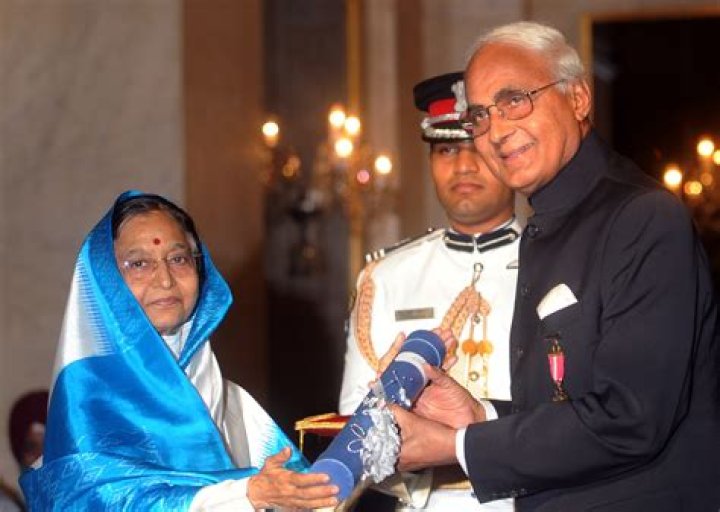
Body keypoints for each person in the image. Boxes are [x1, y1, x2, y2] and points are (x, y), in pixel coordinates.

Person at [392, 21, 720, 511]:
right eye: (480, 115)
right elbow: (571, 405)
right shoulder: (550, 224)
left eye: (514, 100)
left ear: (578, 98)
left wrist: (458, 446)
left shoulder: (643, 217)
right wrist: (478, 416)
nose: (497, 131)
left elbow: (630, 418)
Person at [19, 191, 339, 511]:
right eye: (139, 263)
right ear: (106, 281)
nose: (165, 280)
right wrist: (246, 495)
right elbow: (90, 501)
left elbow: (304, 494)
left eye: (178, 259)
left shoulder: (233, 405)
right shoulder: (87, 399)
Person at [339, 72, 520, 511]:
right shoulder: (386, 276)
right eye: (446, 150)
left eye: (477, 147)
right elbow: (352, 426)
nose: (463, 166)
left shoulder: (558, 265)